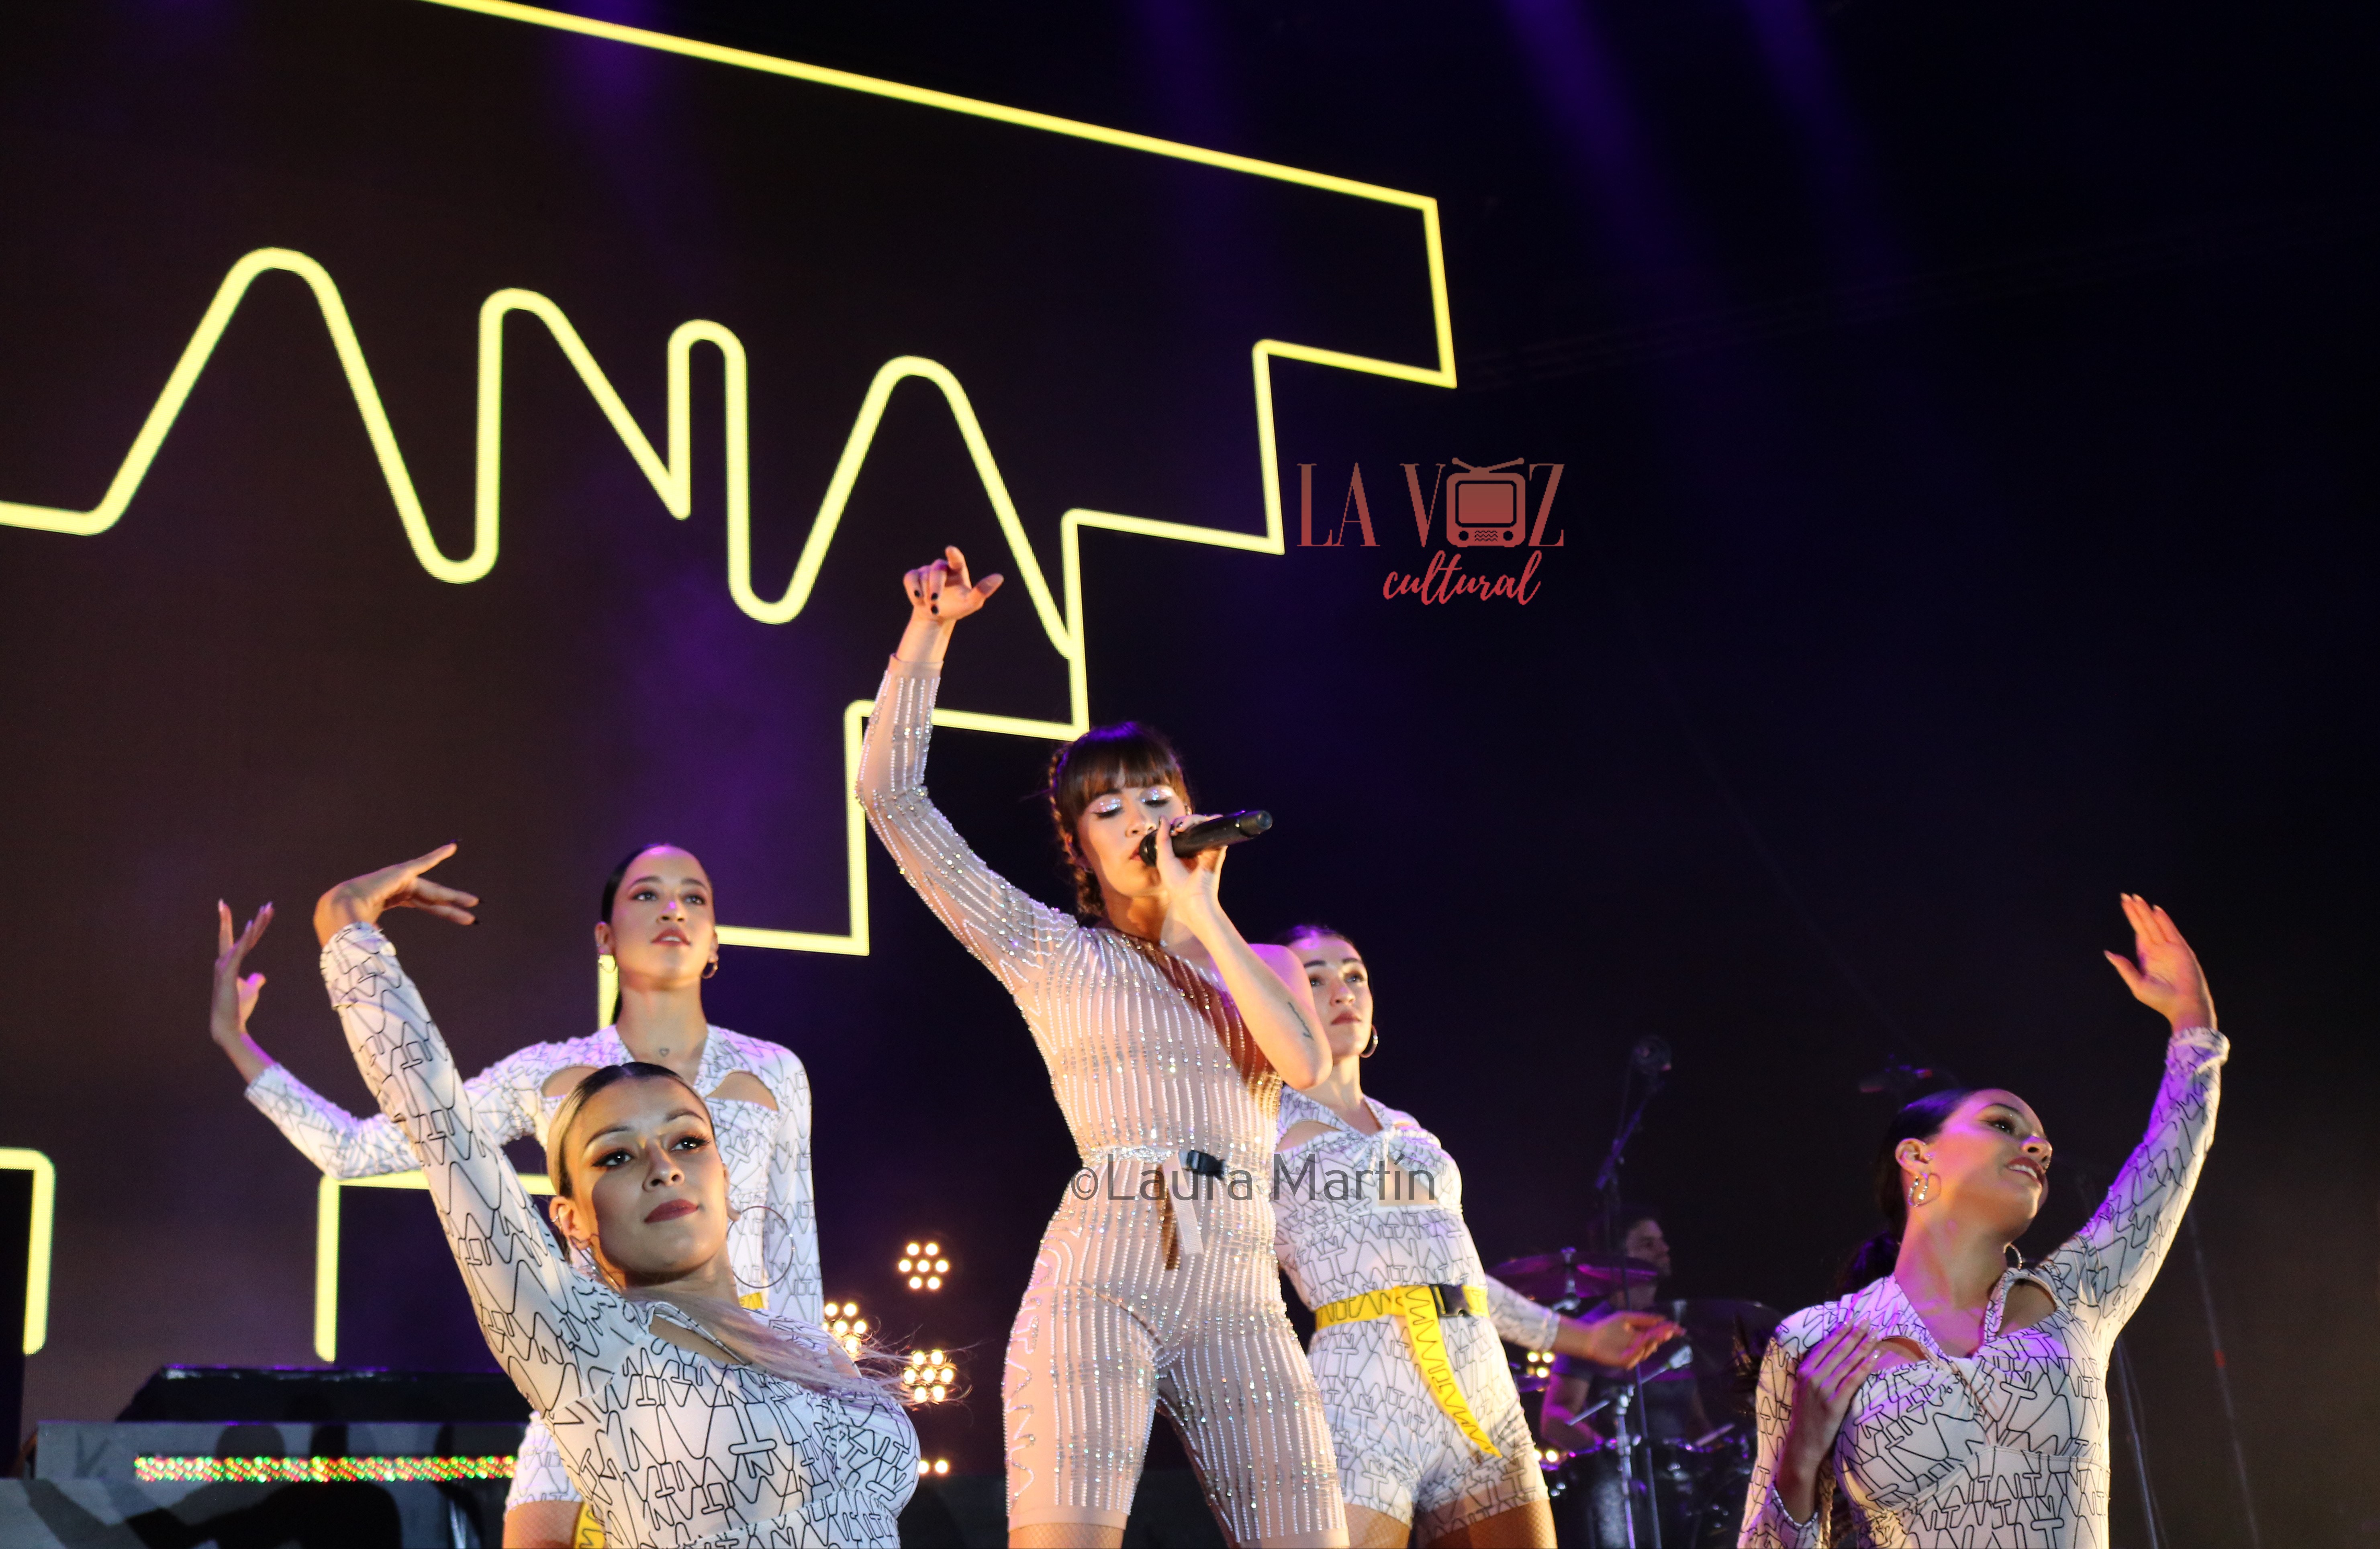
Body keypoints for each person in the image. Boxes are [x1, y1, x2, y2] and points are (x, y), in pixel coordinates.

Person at [855, 547, 1345, 1549]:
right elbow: (892, 801)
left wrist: (1201, 915)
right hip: (1107, 1261)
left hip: (1241, 1286)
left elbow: (1304, 1066)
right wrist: (929, 634)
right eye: (1106, 807)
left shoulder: (1260, 963)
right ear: (1077, 845)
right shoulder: (1052, 950)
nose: (1139, 820)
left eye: (1156, 797)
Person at [296, 847, 916, 1545]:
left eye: (689, 1141)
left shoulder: (808, 1343)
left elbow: (795, 1247)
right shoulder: (587, 1340)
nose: (663, 1166)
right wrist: (345, 922)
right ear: (570, 1218)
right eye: (617, 1155)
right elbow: (441, 1125)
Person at [1740, 895, 2226, 1548]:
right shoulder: (1815, 1340)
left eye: (2041, 1141)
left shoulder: (2077, 1295)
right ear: (1918, 1158)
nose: (2039, 1146)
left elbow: (2165, 1166)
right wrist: (1800, 1459)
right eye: (2003, 1124)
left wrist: (2192, 1023)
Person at [1272, 925, 1675, 1548]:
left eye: (1353, 975)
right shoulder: (1258, 1125)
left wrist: (1582, 1338)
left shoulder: (1405, 1129)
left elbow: (1452, 1275)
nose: (1341, 992)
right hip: (1361, 1392)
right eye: (1313, 979)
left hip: (1481, 1387)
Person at [1537, 1208, 1712, 1549]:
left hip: (1684, 1494)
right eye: (1648, 1244)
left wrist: (1716, 1461)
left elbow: (1696, 1421)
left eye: (1661, 1241)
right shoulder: (1590, 1332)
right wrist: (1614, 1464)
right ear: (1615, 1261)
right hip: (1621, 1499)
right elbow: (1556, 1418)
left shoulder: (1672, 1330)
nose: (1663, 1249)